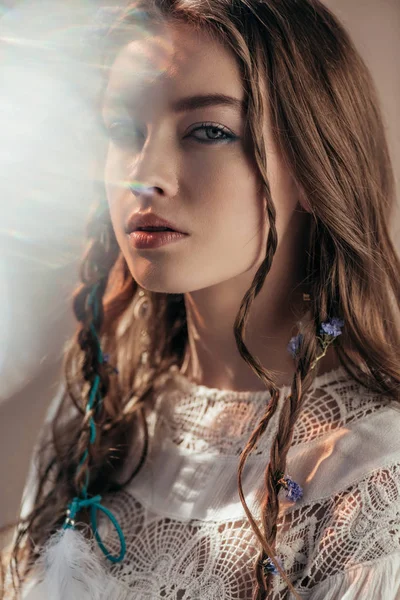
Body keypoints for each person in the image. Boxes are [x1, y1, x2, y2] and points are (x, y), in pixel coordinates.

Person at [2, 0, 400, 598]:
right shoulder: (98, 407)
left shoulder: (370, 477)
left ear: (314, 169)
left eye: (207, 131)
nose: (145, 173)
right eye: (124, 131)